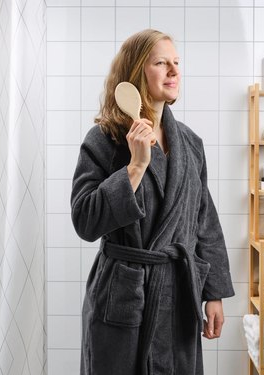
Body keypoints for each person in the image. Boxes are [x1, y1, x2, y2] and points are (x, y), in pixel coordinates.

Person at [71, 29, 234, 375]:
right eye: (161, 62)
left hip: (177, 297)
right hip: (124, 296)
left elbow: (204, 222)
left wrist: (214, 292)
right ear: (135, 72)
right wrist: (135, 167)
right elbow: (84, 220)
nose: (174, 71)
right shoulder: (105, 140)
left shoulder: (190, 144)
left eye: (176, 62)